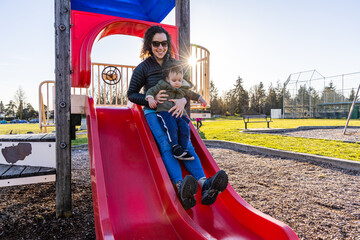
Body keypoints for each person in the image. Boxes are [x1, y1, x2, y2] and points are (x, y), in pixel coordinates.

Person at [127, 25, 228, 210]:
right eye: (156, 43)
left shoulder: (176, 64)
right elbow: (132, 94)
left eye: (164, 43)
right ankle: (180, 187)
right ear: (149, 45)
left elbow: (186, 87)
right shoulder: (143, 68)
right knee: (166, 145)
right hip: (155, 112)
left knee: (186, 144)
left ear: (168, 44)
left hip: (175, 111)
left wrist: (182, 100)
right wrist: (150, 99)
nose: (160, 47)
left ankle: (204, 185)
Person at [145, 63, 207, 161]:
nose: (177, 83)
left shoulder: (183, 88)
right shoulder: (162, 85)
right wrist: (150, 98)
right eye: (174, 81)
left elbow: (192, 94)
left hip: (179, 114)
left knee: (185, 127)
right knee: (171, 126)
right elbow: (151, 91)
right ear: (167, 79)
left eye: (180, 80)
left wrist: (201, 99)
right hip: (165, 112)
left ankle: (184, 149)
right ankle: (175, 147)